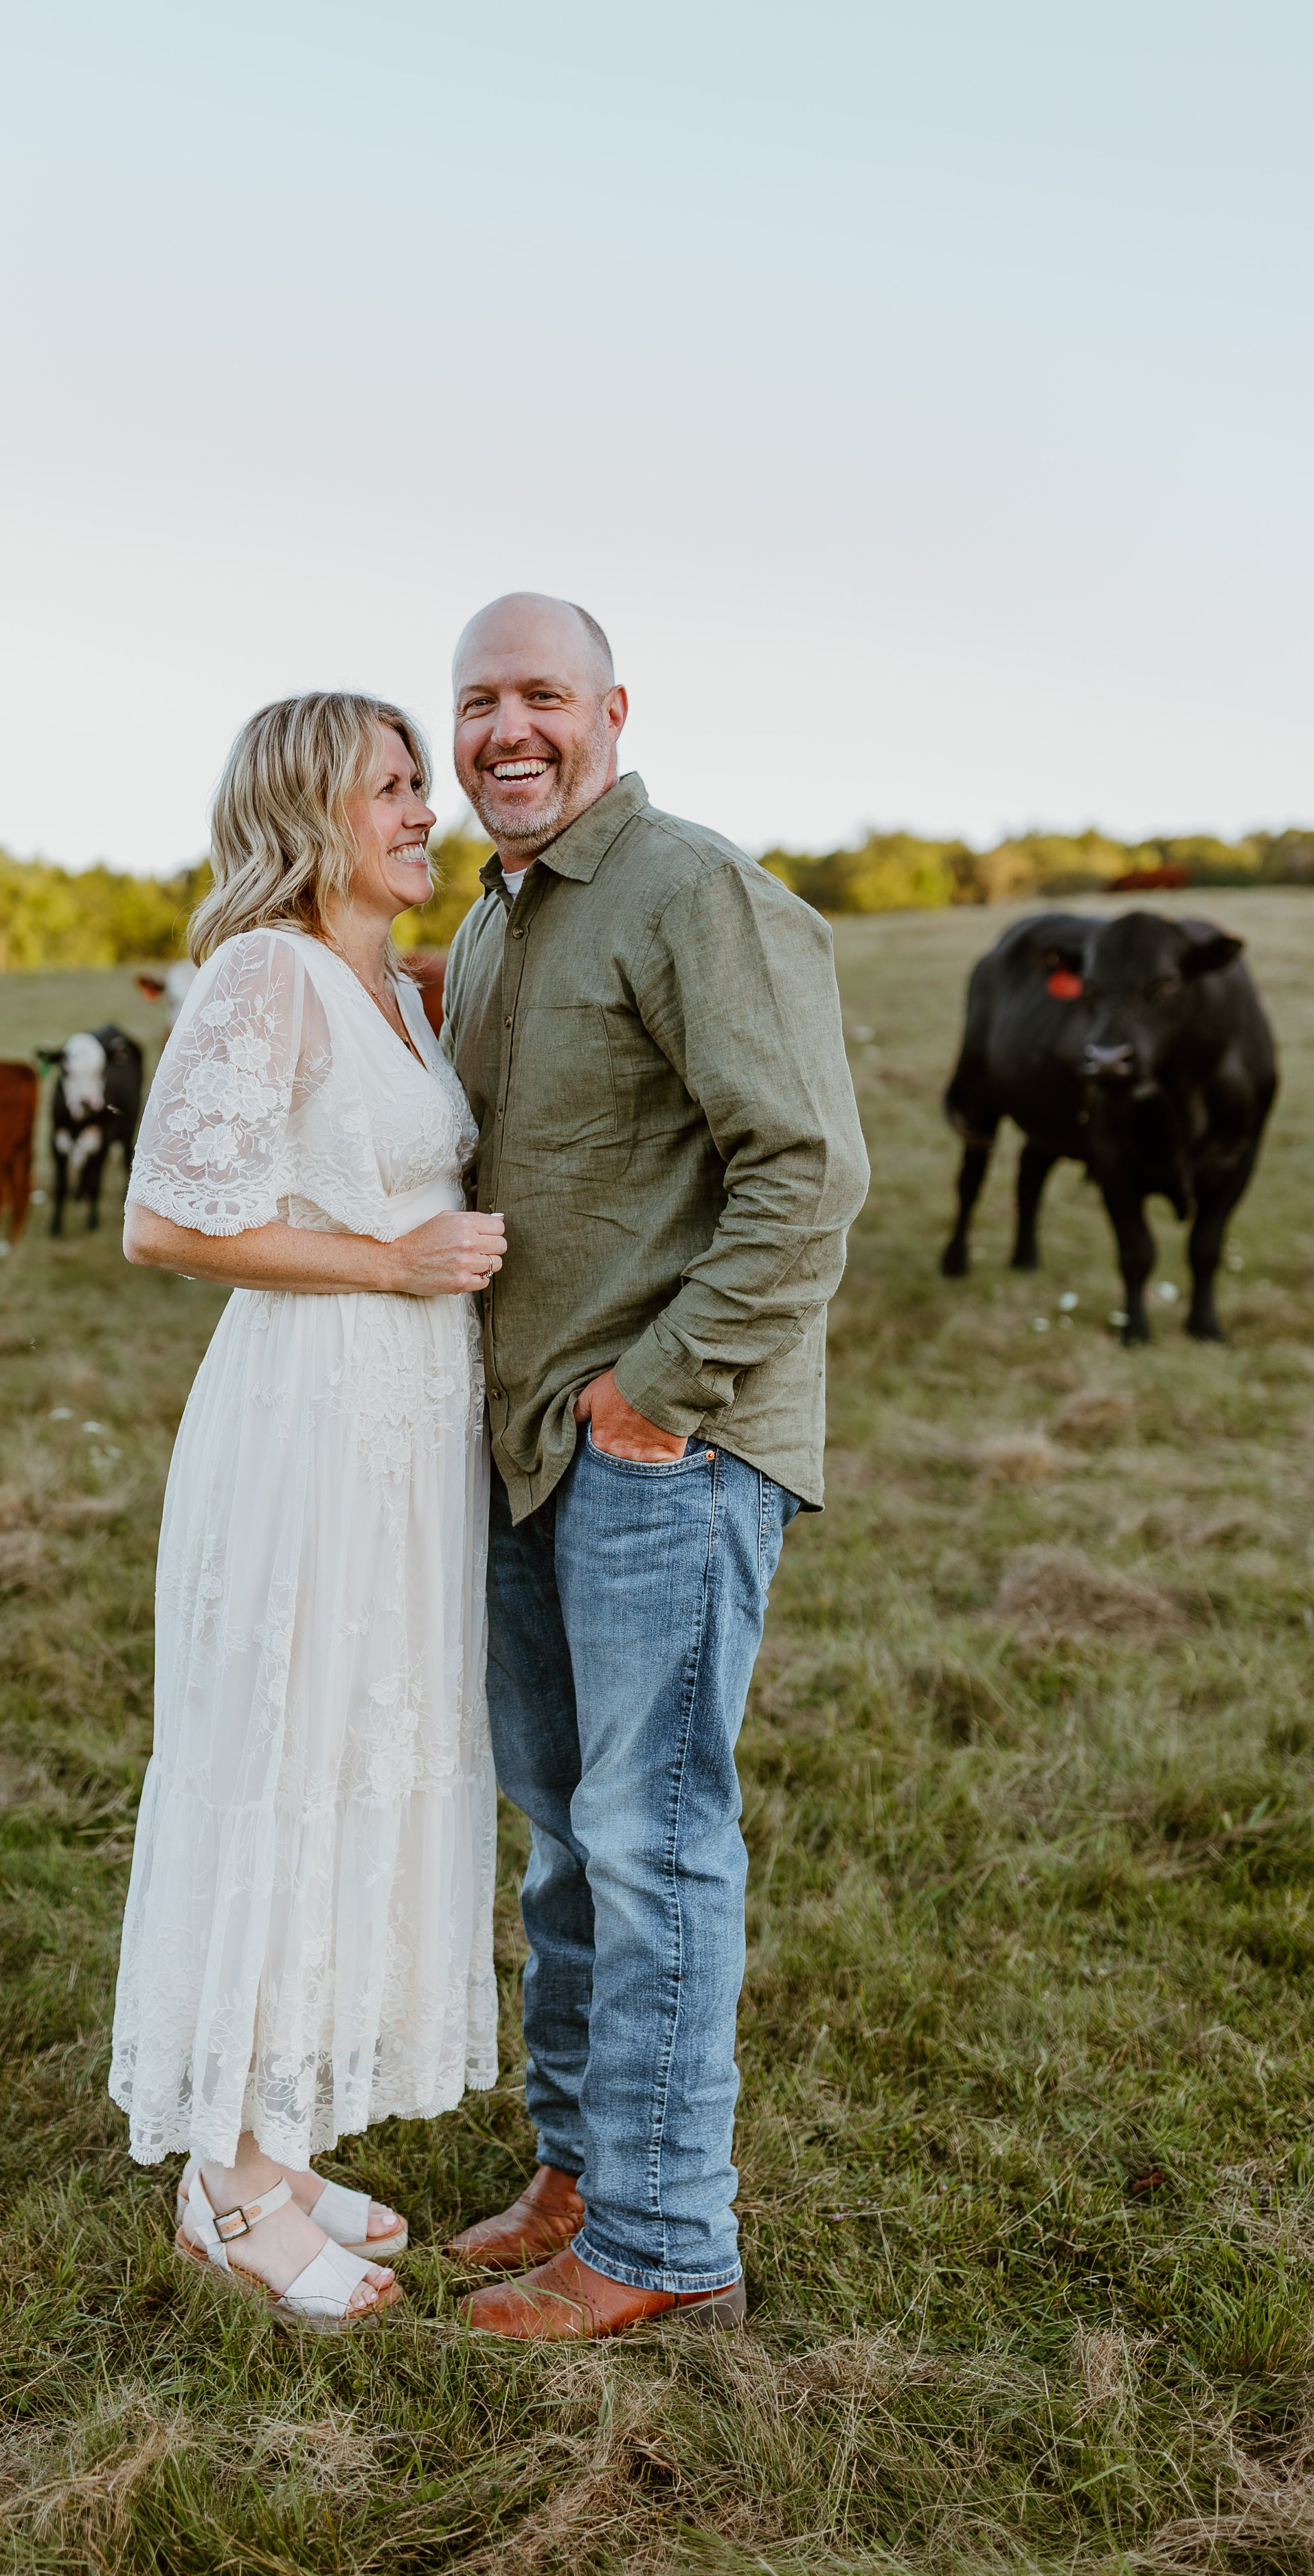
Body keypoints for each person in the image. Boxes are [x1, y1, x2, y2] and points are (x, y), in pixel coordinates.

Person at [440, 594, 870, 2339]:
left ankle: (666, 2239)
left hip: (659, 1448)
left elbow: (806, 1172)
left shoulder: (691, 890)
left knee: (653, 1838)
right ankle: (578, 2172)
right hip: (526, 1445)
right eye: (477, 701)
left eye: (540, 694)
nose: (505, 731)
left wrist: (658, 1393)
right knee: (564, 1839)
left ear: (611, 711)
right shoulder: (491, 921)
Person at [110, 692, 505, 2331]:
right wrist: (390, 1266)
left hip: (406, 1437)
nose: (424, 811)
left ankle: (283, 2141)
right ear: (305, 812)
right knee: (288, 1760)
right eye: (389, 788)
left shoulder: (393, 988)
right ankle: (226, 2189)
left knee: (361, 1759)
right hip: (309, 1421)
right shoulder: (264, 972)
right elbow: (162, 1223)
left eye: (419, 785)